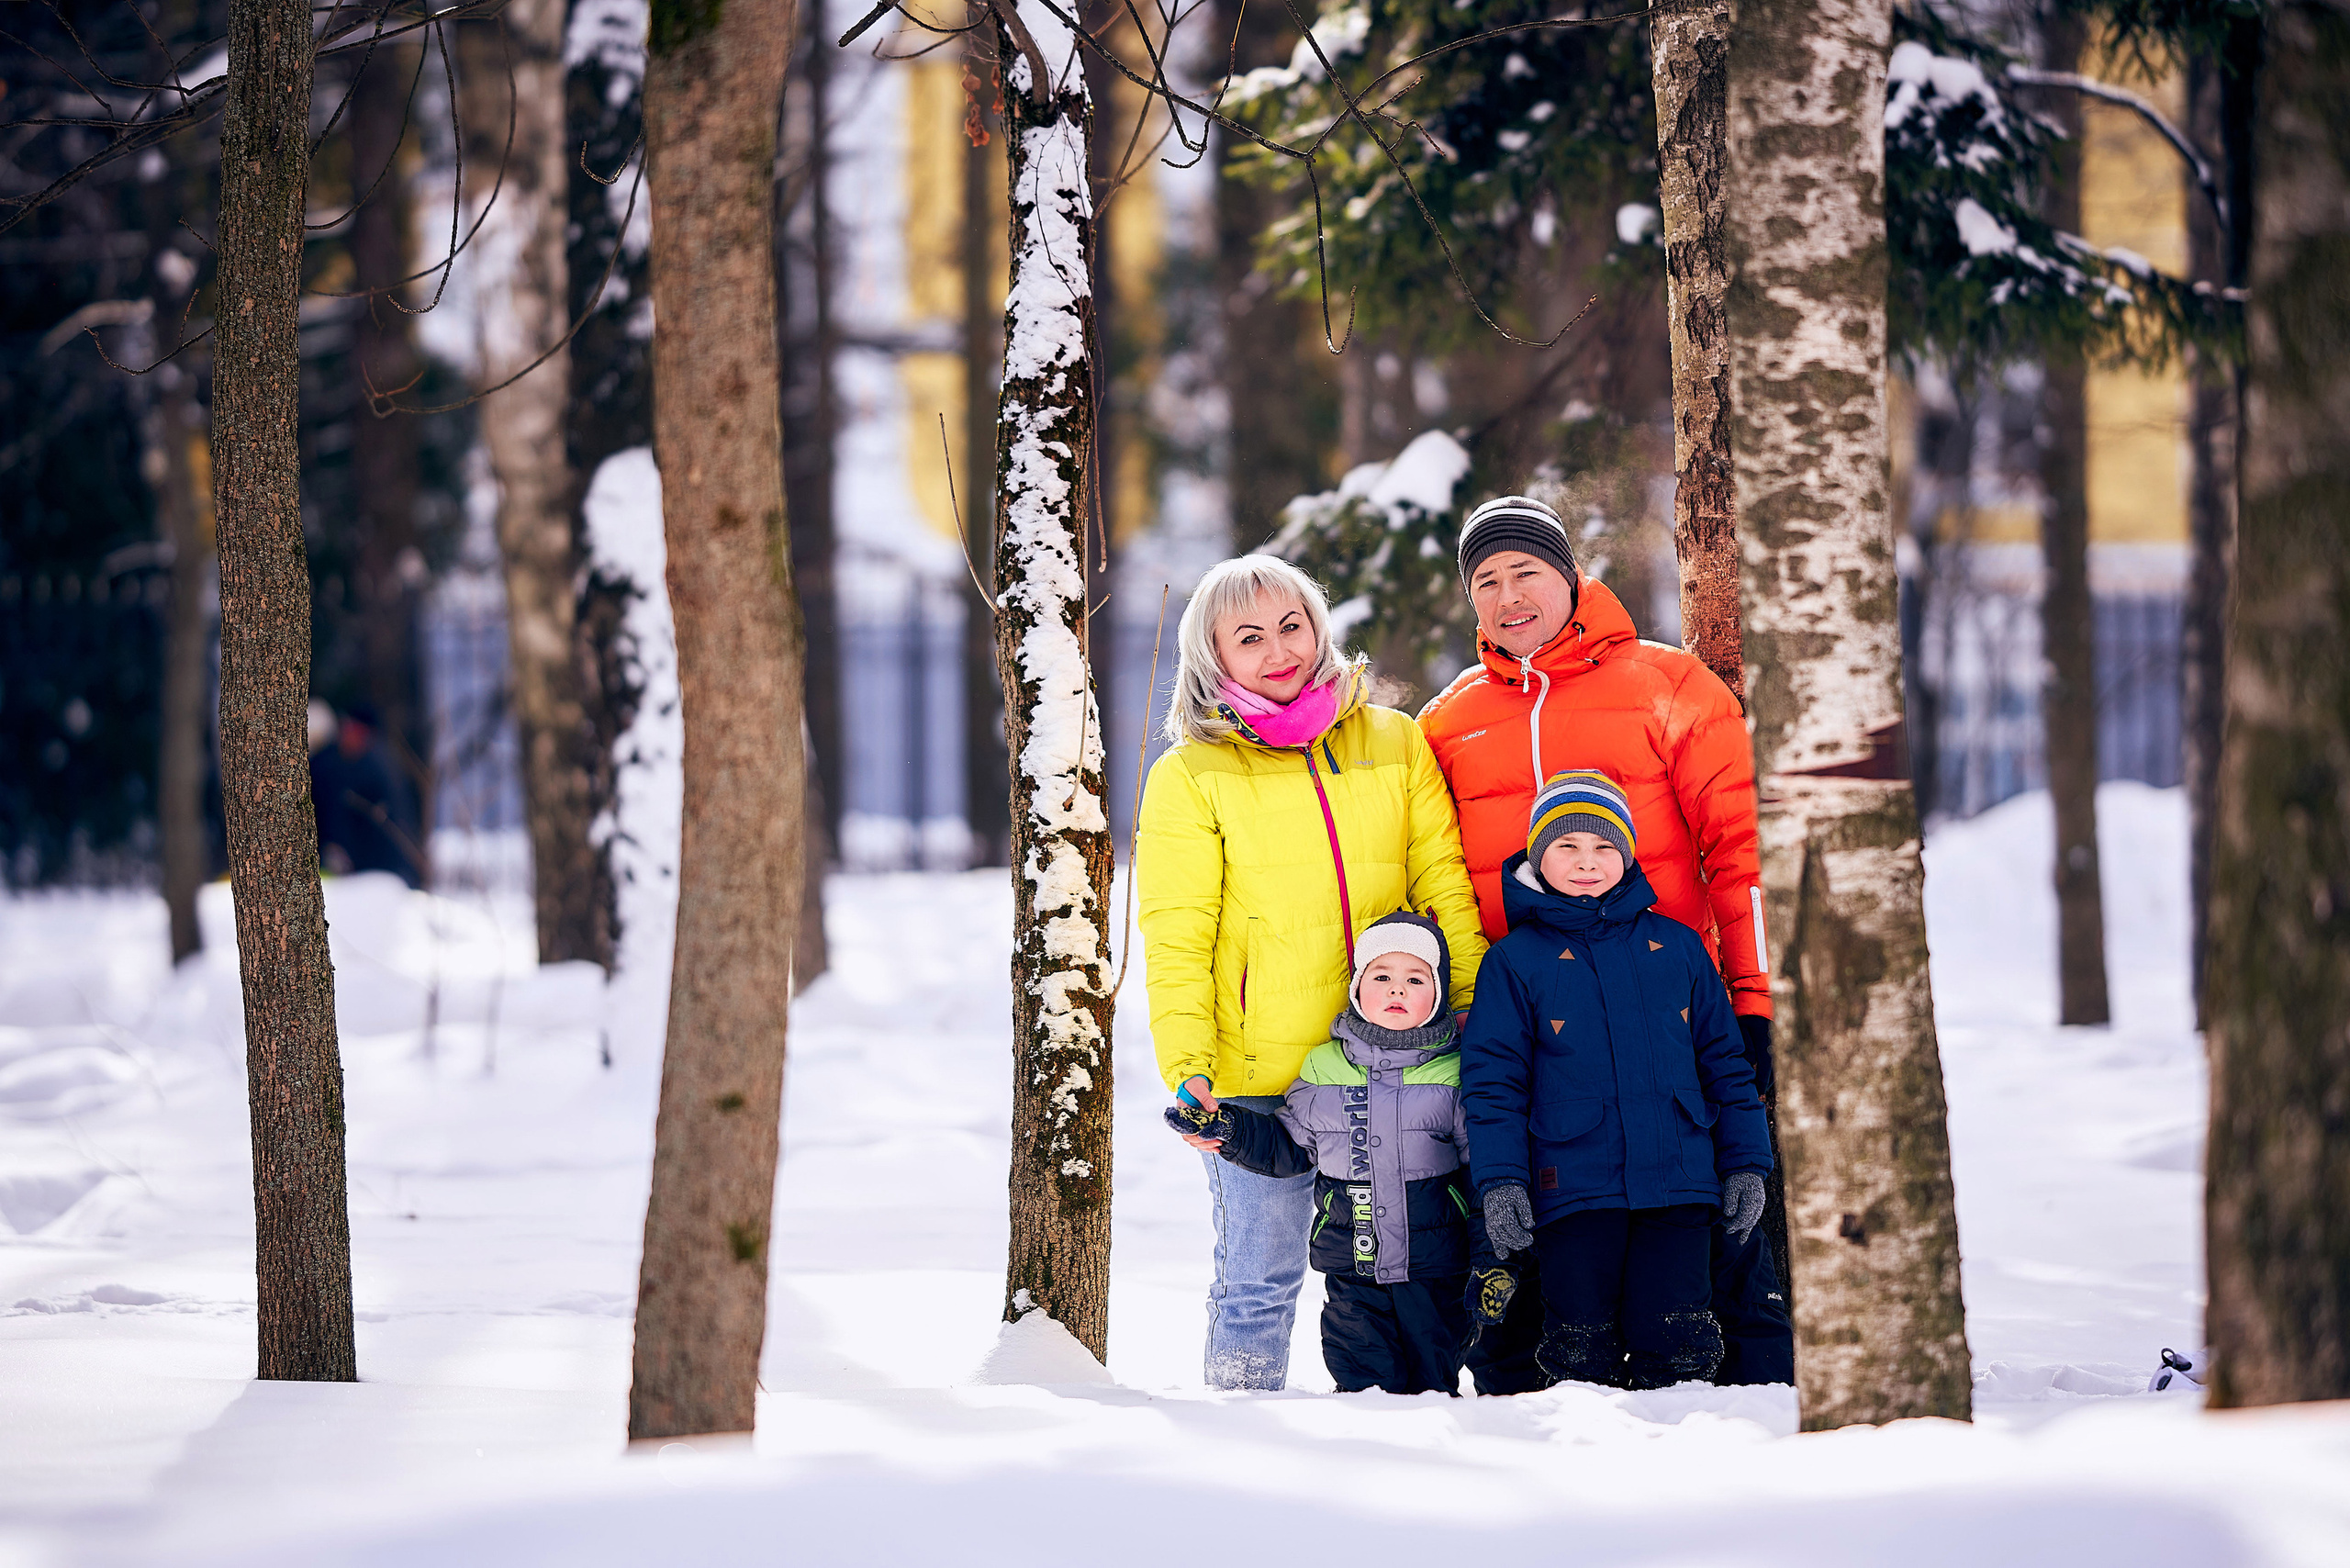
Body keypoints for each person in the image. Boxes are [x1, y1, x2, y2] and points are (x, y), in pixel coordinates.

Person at [1417, 494, 1792, 1389]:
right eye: (1485, 581)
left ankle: (1749, 1398)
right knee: (1535, 1247)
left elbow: (1743, 849)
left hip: (1670, 1014)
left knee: (1716, 1230)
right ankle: (1537, 1407)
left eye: (1526, 572)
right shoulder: (1449, 721)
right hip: (1522, 1023)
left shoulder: (1668, 685)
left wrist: (1754, 997)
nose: (1508, 596)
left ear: (1570, 576)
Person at [1138, 554, 1487, 1391]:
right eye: (1249, 637)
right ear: (1213, 655)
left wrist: (1475, 1008)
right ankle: (1239, 1423)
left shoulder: (1393, 740)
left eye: (1291, 626)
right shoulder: (1190, 775)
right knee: (1260, 1280)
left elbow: (1443, 882)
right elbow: (1177, 934)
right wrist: (1189, 1065)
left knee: (1413, 1275)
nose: (1278, 650)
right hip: (1258, 1076)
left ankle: (1418, 1434)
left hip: (1396, 1063)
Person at [1460, 769, 1771, 1388]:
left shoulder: (1679, 947)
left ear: (1628, 854)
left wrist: (1746, 1163)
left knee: (1677, 1339)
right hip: (1572, 1189)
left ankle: (1681, 1436)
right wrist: (1500, 1180)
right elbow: (1494, 1086)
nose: (1587, 862)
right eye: (1567, 846)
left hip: (1679, 1182)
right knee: (1579, 1345)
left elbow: (1726, 1066)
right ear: (1537, 856)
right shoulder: (1513, 962)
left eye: (1605, 846)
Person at [1167, 912, 1495, 1394]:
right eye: (1381, 977)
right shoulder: (1324, 1068)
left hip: (1435, 1269)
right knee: (1361, 1382)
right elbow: (1290, 1146)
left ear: (1439, 992)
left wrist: (1492, 1253)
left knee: (1430, 1384)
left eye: (1415, 979)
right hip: (1352, 1266)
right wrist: (1229, 1129)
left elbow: (1481, 1169)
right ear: (1357, 988)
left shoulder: (1456, 1072)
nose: (1397, 989)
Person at [310, 700, 421, 888]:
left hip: (376, 873)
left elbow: (390, 827)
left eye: (353, 729)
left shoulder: (378, 770)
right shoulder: (330, 762)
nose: (347, 734)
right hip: (342, 869)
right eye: (345, 727)